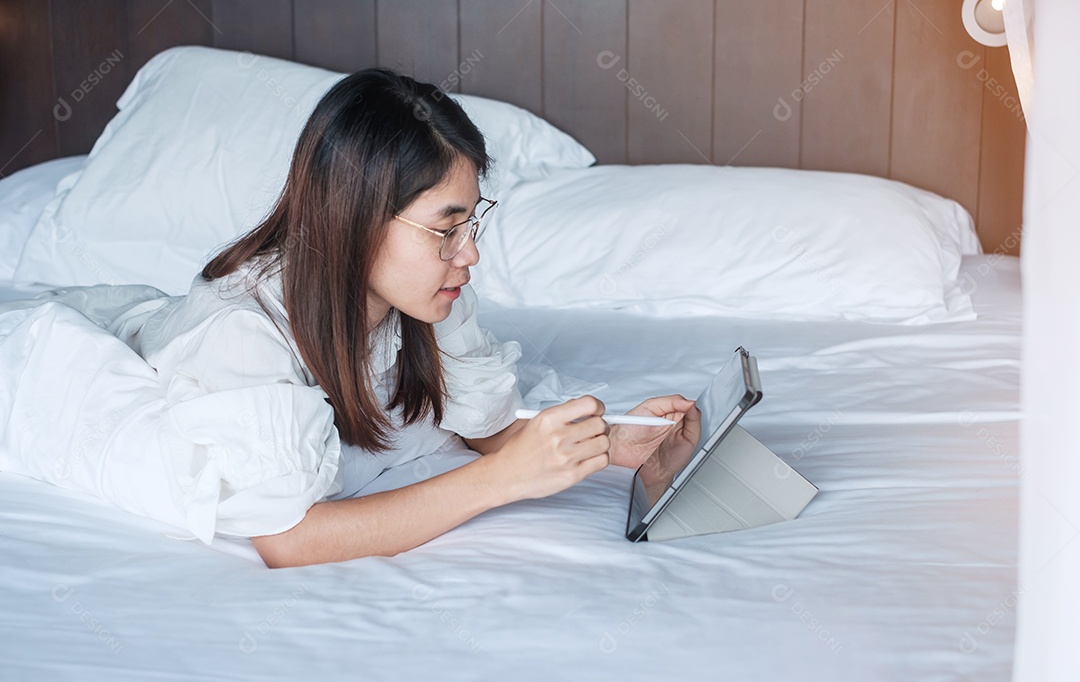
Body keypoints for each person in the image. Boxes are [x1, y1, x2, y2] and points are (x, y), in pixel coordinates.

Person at [0, 68, 699, 568]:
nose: (471, 253)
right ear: (360, 219)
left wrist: (607, 443)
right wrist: (505, 480)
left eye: (472, 221)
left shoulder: (424, 288)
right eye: (446, 228)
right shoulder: (244, 335)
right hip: (57, 365)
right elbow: (290, 540)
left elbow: (481, 425)